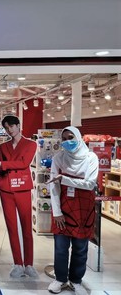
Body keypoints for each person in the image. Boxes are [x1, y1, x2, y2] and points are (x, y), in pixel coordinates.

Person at [46, 126, 98, 295]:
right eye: (64, 139)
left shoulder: (91, 158)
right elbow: (54, 187)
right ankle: (60, 279)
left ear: (78, 137)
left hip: (83, 209)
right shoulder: (58, 158)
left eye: (71, 137)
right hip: (62, 206)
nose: (68, 142)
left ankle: (76, 280)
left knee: (80, 248)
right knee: (60, 247)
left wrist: (65, 179)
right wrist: (57, 212)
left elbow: (90, 184)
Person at [0, 115, 38, 278]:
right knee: (11, 227)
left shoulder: (31, 144)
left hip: (23, 188)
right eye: (6, 127)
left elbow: (24, 163)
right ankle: (18, 263)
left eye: (11, 126)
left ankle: (29, 264)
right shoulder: (3, 146)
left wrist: (3, 164)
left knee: (26, 227)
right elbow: (2, 165)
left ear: (18, 125)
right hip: (6, 190)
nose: (9, 130)